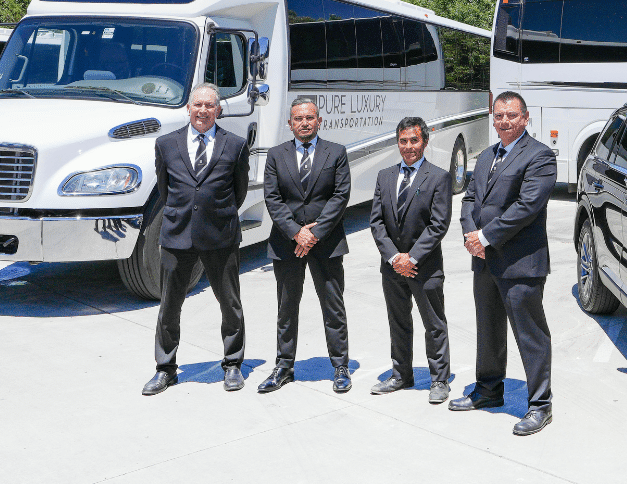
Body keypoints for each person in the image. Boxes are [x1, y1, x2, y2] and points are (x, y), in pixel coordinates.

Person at [455, 91, 557, 436]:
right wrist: (471, 234)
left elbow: (526, 207)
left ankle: (540, 405)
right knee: (488, 329)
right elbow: (470, 198)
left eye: (511, 115)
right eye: (499, 115)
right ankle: (488, 391)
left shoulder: (540, 156)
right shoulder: (485, 156)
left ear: (525, 118)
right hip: (484, 261)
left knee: (530, 336)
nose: (504, 121)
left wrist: (484, 237)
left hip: (520, 263)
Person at [140, 84, 250, 396]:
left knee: (229, 302)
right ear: (188, 108)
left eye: (209, 106)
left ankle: (232, 364)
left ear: (218, 110)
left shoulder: (236, 145)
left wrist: (214, 214)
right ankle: (165, 368)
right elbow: (166, 190)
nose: (203, 111)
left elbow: (238, 191)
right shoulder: (166, 144)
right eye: (198, 105)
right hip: (178, 235)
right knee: (169, 305)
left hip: (221, 235)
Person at [261, 97, 352, 394]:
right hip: (287, 245)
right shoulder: (276, 155)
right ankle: (284, 366)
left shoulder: (336, 153)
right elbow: (273, 198)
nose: (304, 123)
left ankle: (340, 366)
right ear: (290, 123)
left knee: (333, 307)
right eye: (298, 118)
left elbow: (340, 196)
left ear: (319, 121)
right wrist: (295, 233)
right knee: (286, 307)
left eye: (310, 117)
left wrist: (314, 235)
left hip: (326, 244)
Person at [368, 116, 454, 403]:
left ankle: (440, 380)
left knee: (434, 324)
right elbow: (377, 222)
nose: (409, 146)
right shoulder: (385, 176)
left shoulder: (439, 177)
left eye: (414, 140)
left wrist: (412, 257)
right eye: (403, 141)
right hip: (392, 267)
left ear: (425, 142)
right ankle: (401, 374)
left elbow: (438, 225)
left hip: (425, 266)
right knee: (398, 322)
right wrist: (394, 257)